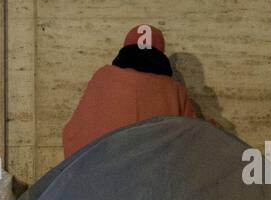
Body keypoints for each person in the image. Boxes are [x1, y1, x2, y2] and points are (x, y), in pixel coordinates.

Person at [62, 24, 197, 158]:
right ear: (160, 52)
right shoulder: (174, 89)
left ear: (126, 48)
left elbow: (74, 132)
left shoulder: (103, 77)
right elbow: (192, 140)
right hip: (153, 175)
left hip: (100, 172)